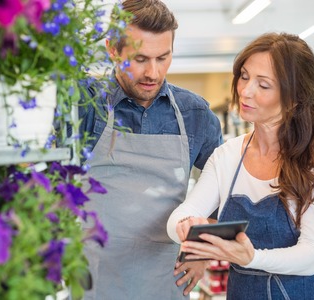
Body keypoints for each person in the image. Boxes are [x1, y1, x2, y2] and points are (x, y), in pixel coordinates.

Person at [167, 32, 314, 299]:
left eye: (264, 85)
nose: (246, 91)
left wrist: (251, 257)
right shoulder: (227, 157)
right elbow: (178, 218)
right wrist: (188, 228)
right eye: (244, 76)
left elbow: (311, 255)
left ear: (294, 98)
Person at [78, 0, 223, 299]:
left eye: (163, 57)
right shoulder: (85, 105)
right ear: (112, 49)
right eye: (140, 58)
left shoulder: (195, 114)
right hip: (93, 279)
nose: (153, 73)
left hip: (165, 282)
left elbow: (227, 193)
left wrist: (203, 249)